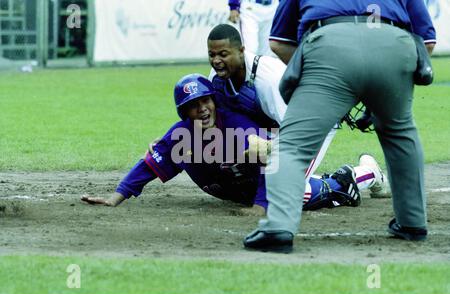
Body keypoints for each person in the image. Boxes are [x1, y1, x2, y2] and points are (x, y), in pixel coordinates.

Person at [243, 0, 436, 253]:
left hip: (328, 45)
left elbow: (279, 42)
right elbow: (427, 41)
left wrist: (323, 75)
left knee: (292, 145)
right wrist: (378, 87)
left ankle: (279, 228)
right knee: (400, 134)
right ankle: (412, 223)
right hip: (393, 44)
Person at [81, 74, 385, 215]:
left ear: (214, 101)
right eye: (192, 105)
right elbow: (150, 164)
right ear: (183, 113)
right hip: (240, 189)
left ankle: (365, 173)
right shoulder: (181, 136)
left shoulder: (237, 126)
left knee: (316, 191)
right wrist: (115, 197)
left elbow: (271, 158)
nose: (201, 109)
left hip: (274, 185)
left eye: (205, 101)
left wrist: (261, 207)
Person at [207, 23, 339, 182]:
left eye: (223, 54)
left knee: (286, 188)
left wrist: (268, 148)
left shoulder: (268, 80)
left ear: (241, 51)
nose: (216, 61)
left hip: (314, 123)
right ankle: (323, 181)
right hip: (279, 126)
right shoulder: (217, 76)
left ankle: (362, 175)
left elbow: (296, 131)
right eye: (212, 55)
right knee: (258, 183)